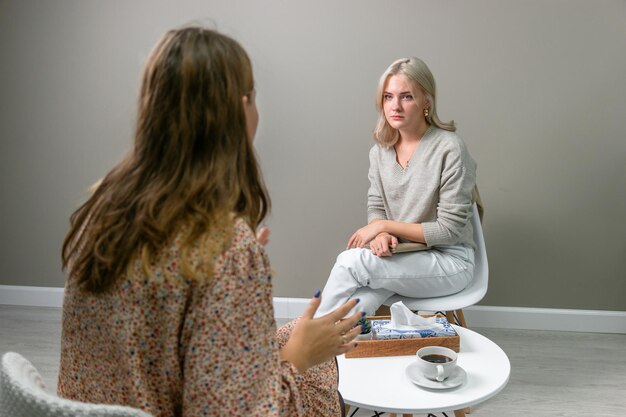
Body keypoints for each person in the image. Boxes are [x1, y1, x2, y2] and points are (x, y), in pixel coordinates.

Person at [58, 26, 363, 417]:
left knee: (296, 335)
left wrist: (233, 284)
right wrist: (297, 359)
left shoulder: (104, 208)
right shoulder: (226, 250)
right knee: (319, 361)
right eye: (253, 98)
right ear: (239, 109)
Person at [316, 57, 478, 319]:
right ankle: (331, 353)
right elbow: (377, 206)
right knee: (358, 303)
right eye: (388, 97)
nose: (395, 106)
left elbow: (449, 231)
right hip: (403, 254)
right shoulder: (380, 151)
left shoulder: (449, 148)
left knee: (351, 262)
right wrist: (380, 235)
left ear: (426, 101)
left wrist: (385, 227)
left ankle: (305, 344)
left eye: (407, 97)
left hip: (450, 262)